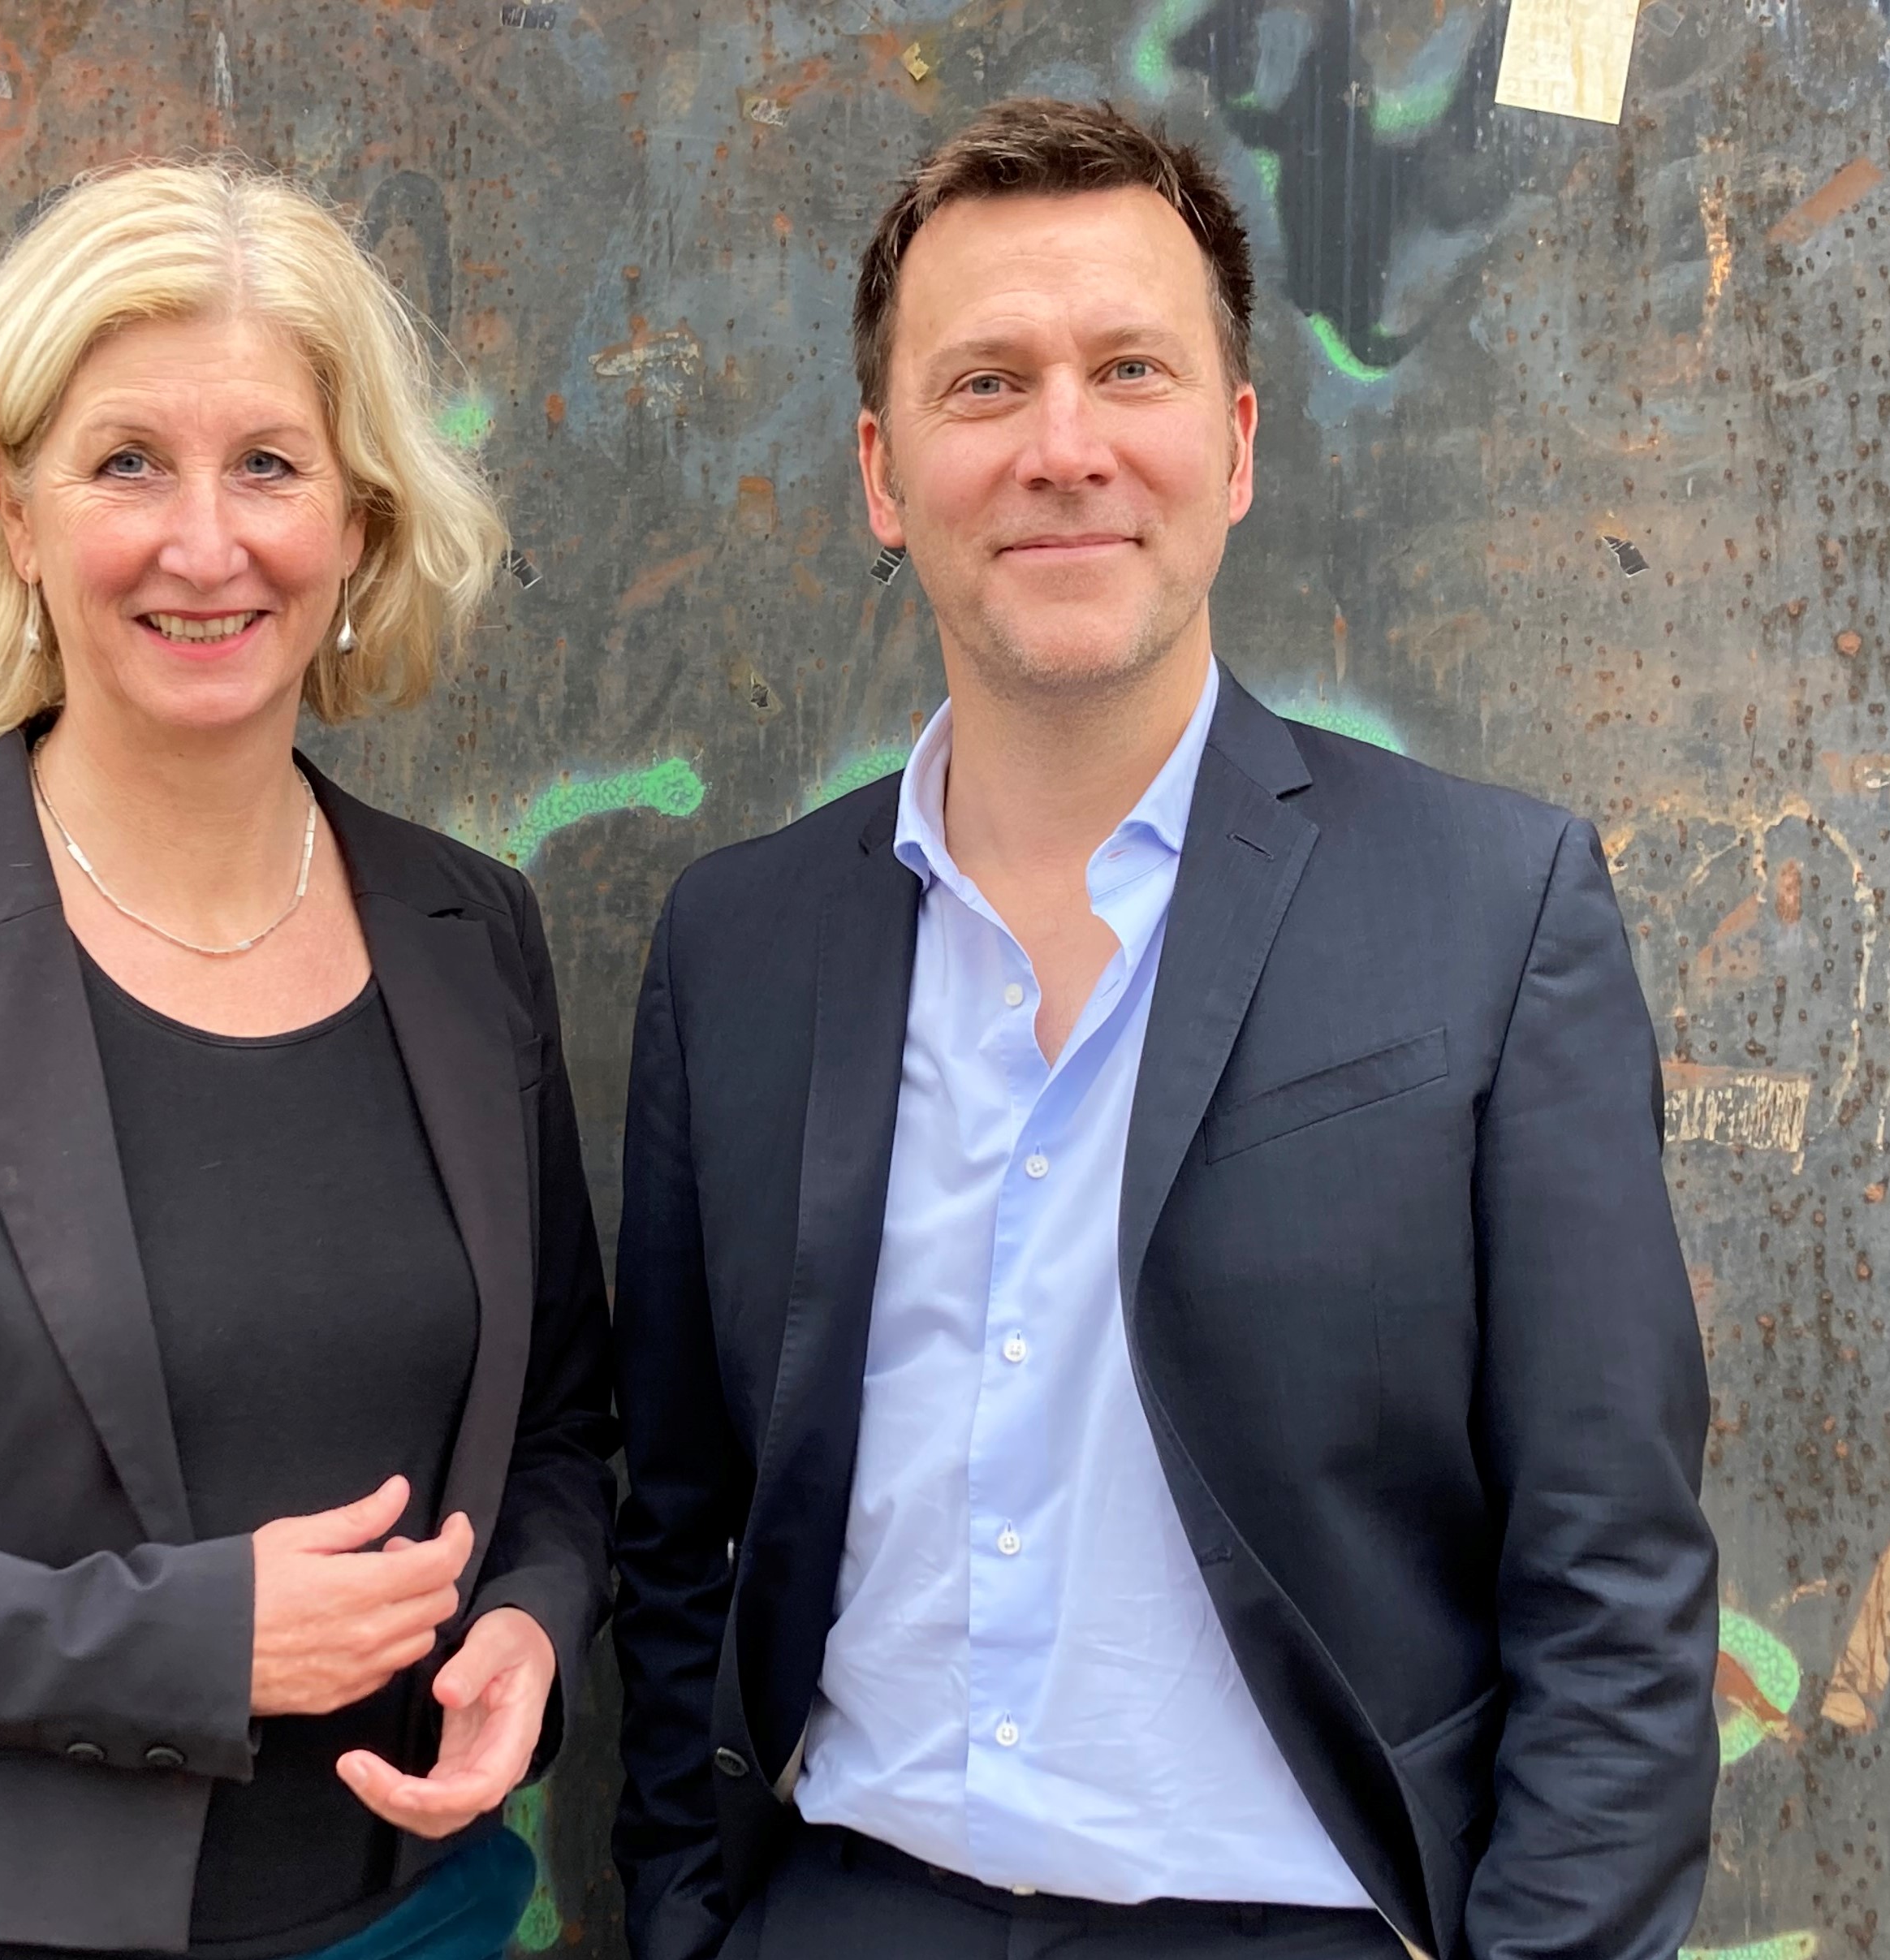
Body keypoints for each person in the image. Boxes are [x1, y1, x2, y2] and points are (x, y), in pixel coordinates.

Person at [610, 97, 1716, 1960]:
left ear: (1235, 443)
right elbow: (674, 1527)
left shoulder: (1488, 910)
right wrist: (685, 1915)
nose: (1063, 447)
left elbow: (1606, 1568)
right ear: (882, 471)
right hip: (840, 1910)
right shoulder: (737, 944)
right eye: (983, 385)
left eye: (1127, 369)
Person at [0, 161, 615, 1960]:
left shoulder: (471, 934)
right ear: (13, 506)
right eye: (127, 461)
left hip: (412, 1919)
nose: (203, 544)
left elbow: (558, 1431)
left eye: (270, 465)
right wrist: (184, 1642)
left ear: (359, 522)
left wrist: (530, 1619)